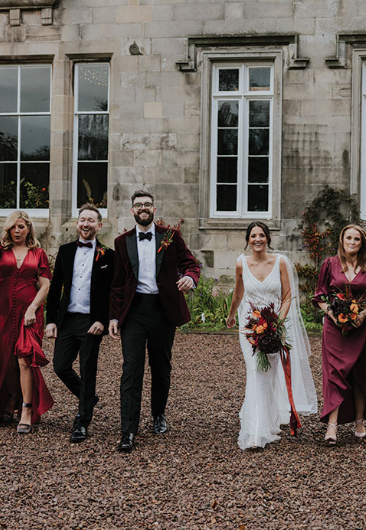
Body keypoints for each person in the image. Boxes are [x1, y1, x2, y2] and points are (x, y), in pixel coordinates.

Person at [108, 190, 201, 452]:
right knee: (131, 369)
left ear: (154, 209)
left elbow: (191, 263)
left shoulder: (170, 236)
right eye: (138, 205)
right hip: (134, 311)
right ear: (132, 211)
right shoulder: (121, 242)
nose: (143, 208)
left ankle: (158, 414)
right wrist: (114, 316)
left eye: (147, 204)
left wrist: (191, 278)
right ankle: (128, 430)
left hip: (162, 310)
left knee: (161, 367)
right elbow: (117, 283)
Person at [224, 222, 317, 450]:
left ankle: (270, 416)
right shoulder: (241, 264)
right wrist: (230, 315)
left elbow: (287, 297)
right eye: (253, 235)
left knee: (269, 373)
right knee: (256, 371)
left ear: (267, 239)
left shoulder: (280, 262)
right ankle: (256, 431)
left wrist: (277, 323)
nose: (257, 239)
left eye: (262, 235)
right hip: (249, 327)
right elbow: (238, 294)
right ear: (248, 239)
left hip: (275, 326)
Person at [0, 208, 53, 433]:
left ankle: (26, 409)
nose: (17, 230)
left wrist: (33, 308)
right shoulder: (0, 250)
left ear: (28, 229)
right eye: (13, 226)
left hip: (29, 314)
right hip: (4, 313)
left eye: (21, 226)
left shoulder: (38, 253)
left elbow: (45, 285)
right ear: (8, 229)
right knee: (5, 360)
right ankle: (7, 404)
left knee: (25, 358)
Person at [45, 203, 115, 443]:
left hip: (91, 322)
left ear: (99, 225)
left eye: (91, 220)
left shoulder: (108, 255)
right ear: (77, 224)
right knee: (60, 366)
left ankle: (82, 422)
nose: (86, 224)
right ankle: (88, 397)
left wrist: (102, 321)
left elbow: (111, 292)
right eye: (82, 220)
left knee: (88, 369)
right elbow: (55, 289)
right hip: (67, 320)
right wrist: (51, 320)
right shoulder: (65, 251)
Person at [313, 224, 366, 445]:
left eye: (356, 239)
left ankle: (359, 421)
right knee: (334, 374)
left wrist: (363, 314)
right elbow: (319, 296)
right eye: (348, 238)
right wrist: (332, 315)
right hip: (335, 329)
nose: (352, 243)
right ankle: (332, 426)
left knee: (360, 373)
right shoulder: (330, 264)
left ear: (362, 243)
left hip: (362, 329)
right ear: (342, 241)